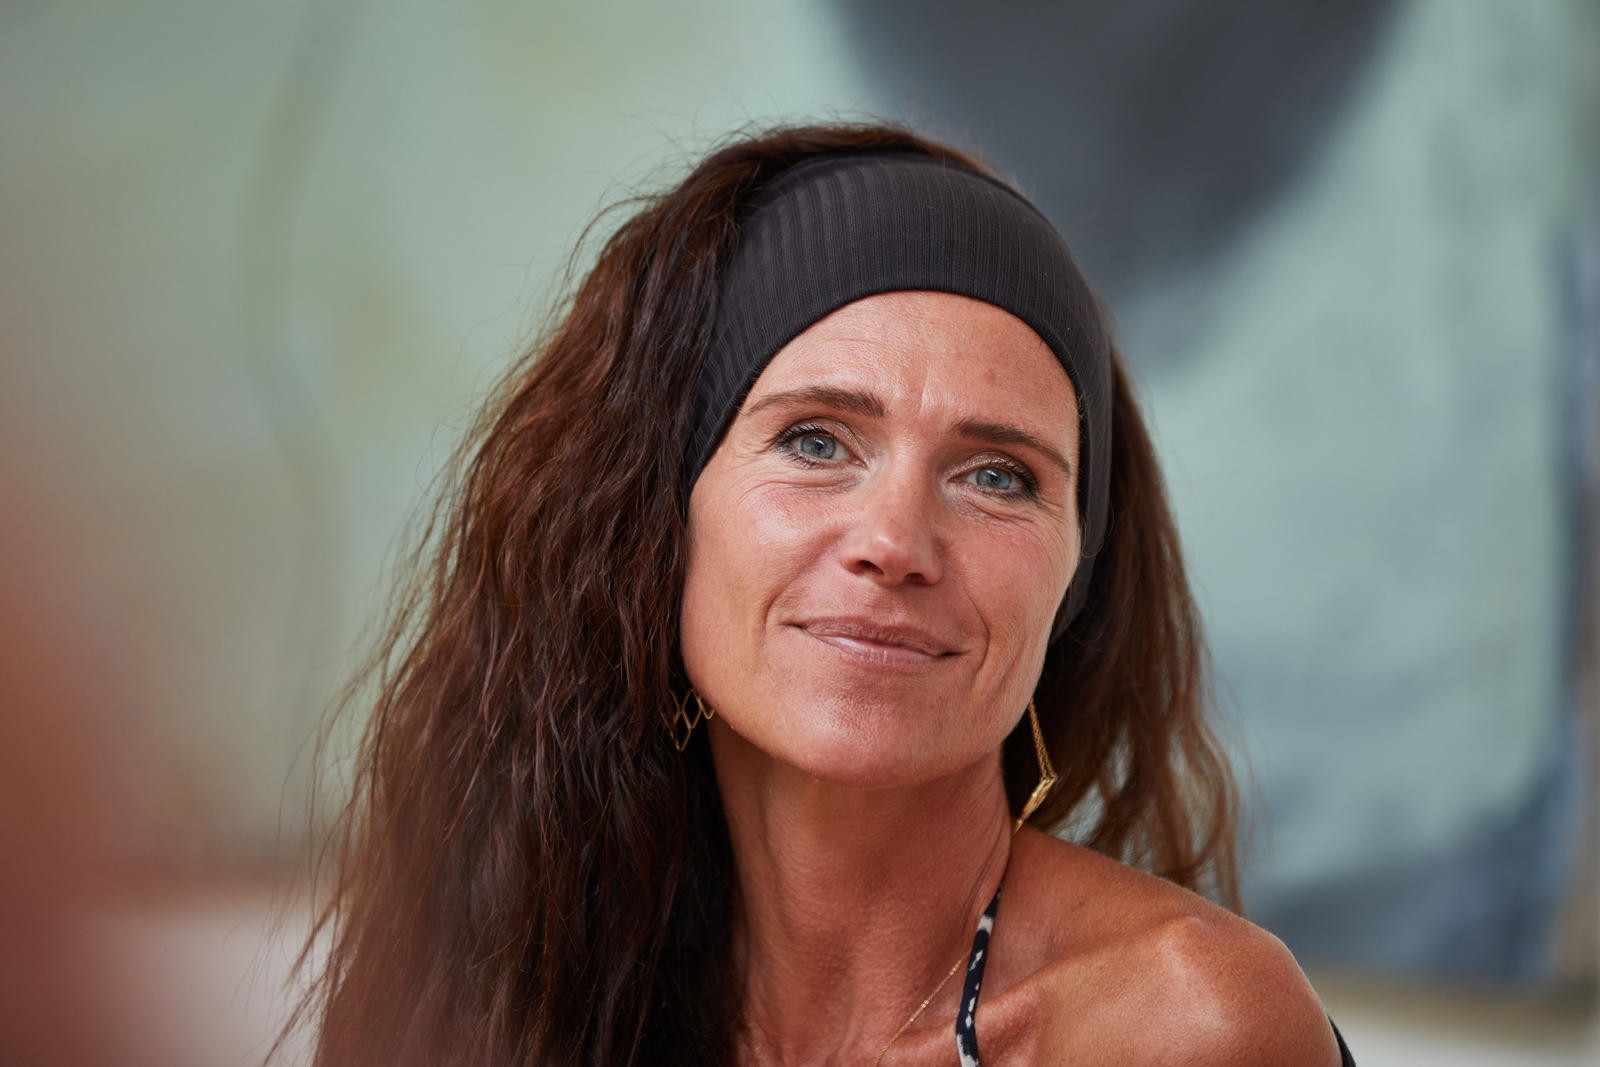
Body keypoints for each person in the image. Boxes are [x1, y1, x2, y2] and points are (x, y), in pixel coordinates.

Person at [289, 122, 1355, 1065]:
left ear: (1074, 576)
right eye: (814, 440)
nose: (894, 544)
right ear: (658, 519)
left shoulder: (1185, 1028)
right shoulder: (523, 993)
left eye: (997, 475)